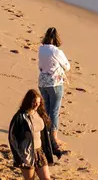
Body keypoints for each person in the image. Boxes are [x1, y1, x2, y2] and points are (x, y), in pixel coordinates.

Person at [37, 28, 71, 158]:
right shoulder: (57, 51)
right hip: (55, 83)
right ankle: (54, 137)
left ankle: (43, 133)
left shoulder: (41, 49)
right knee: (54, 111)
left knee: (45, 109)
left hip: (42, 82)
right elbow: (67, 66)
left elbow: (40, 66)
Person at [8, 88, 54, 180]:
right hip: (27, 153)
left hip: (40, 152)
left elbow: (45, 133)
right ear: (29, 101)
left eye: (38, 102)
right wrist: (18, 157)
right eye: (34, 102)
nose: (36, 104)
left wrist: (53, 147)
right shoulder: (20, 117)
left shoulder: (40, 113)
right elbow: (12, 138)